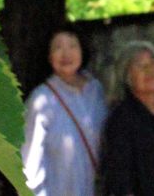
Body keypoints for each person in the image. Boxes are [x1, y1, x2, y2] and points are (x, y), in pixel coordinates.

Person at [22, 26, 107, 196]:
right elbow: (30, 160)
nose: (66, 54)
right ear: (49, 56)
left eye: (72, 46)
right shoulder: (40, 99)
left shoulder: (96, 90)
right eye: (58, 47)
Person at [103, 40, 154, 196]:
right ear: (127, 75)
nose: (150, 70)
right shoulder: (121, 118)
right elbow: (120, 178)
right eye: (141, 66)